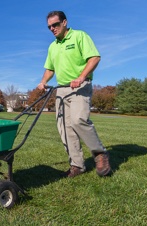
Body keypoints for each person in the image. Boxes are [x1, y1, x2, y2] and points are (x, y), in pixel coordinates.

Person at [37, 11, 111, 177]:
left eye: (55, 25)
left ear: (64, 22)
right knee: (64, 128)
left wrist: (81, 77)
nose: (52, 29)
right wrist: (43, 81)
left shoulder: (79, 36)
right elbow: (50, 68)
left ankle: (100, 154)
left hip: (79, 86)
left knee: (78, 120)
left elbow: (94, 58)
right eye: (49, 27)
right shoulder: (53, 46)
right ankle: (77, 165)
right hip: (61, 89)